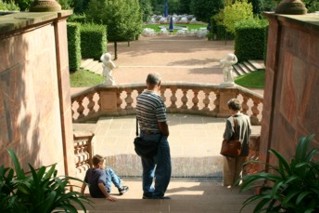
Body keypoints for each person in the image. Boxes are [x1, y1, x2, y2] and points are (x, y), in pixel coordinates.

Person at [136, 73, 171, 199]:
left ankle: (147, 191)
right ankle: (157, 194)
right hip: (157, 138)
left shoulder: (140, 97)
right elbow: (162, 123)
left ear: (147, 83)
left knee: (148, 167)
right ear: (159, 84)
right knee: (164, 167)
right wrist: (166, 134)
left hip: (144, 136)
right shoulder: (157, 100)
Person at [222, 98, 251, 189]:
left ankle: (228, 184)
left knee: (229, 167)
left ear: (231, 108)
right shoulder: (247, 118)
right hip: (244, 147)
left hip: (233, 148)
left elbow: (228, 135)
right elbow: (249, 131)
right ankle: (237, 184)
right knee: (239, 167)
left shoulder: (230, 120)